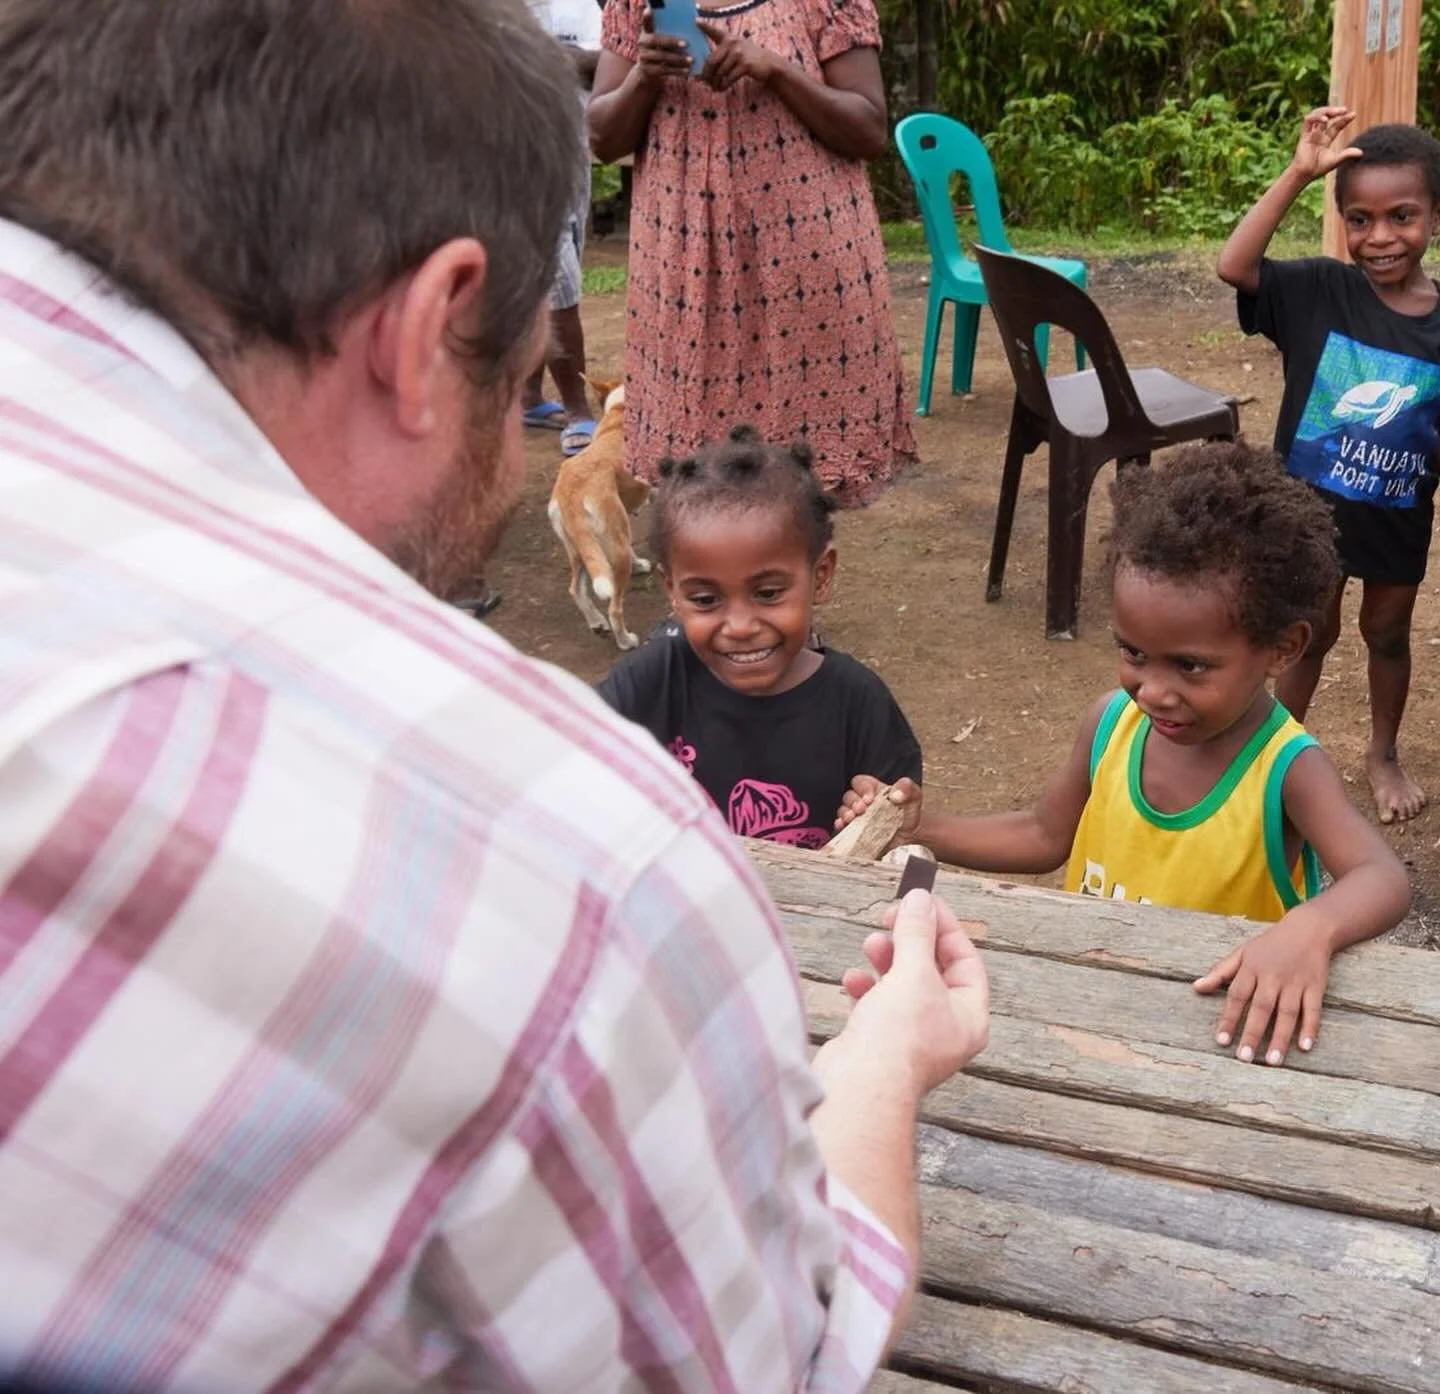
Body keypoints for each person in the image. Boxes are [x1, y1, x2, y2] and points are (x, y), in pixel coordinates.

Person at [0, 2, 989, 1390]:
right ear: (427, 332)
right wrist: (887, 1056)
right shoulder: (582, 881)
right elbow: (777, 1350)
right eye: (526, 371)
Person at [840, 443, 1411, 1067]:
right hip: (1091, 1012)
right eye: (1133, 652)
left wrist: (1309, 929)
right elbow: (1041, 834)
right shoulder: (1112, 723)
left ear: (1282, 649)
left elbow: (1381, 879)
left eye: (1191, 666)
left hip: (1211, 1038)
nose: (1153, 690)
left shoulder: (1286, 770)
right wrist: (922, 831)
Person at [588, 0, 917, 507]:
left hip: (804, 279)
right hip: (685, 281)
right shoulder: (638, 5)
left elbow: (868, 129)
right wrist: (644, 77)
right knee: (700, 496)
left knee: (798, 498)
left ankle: (785, 587)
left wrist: (775, 69)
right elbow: (603, 138)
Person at [1218, 109, 1440, 825]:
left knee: (1387, 632)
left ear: (1434, 217)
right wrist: (1298, 172)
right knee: (1309, 630)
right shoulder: (1319, 290)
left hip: (1397, 518)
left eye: (1401, 216)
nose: (1380, 237)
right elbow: (1235, 265)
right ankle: (1281, 749)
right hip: (1307, 517)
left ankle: (1381, 753)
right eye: (1360, 218)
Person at [598, 425, 922, 844]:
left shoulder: (858, 704)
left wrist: (879, 822)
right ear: (672, 592)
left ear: (820, 577)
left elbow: (911, 862)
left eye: (768, 594)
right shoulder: (651, 682)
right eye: (705, 599)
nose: (739, 627)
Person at [523, 0, 605, 457]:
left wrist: (567, 60)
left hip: (573, 154)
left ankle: (530, 398)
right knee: (558, 284)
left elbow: (608, 63)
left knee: (552, 273)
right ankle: (578, 412)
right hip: (516, 160)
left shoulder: (578, 4)